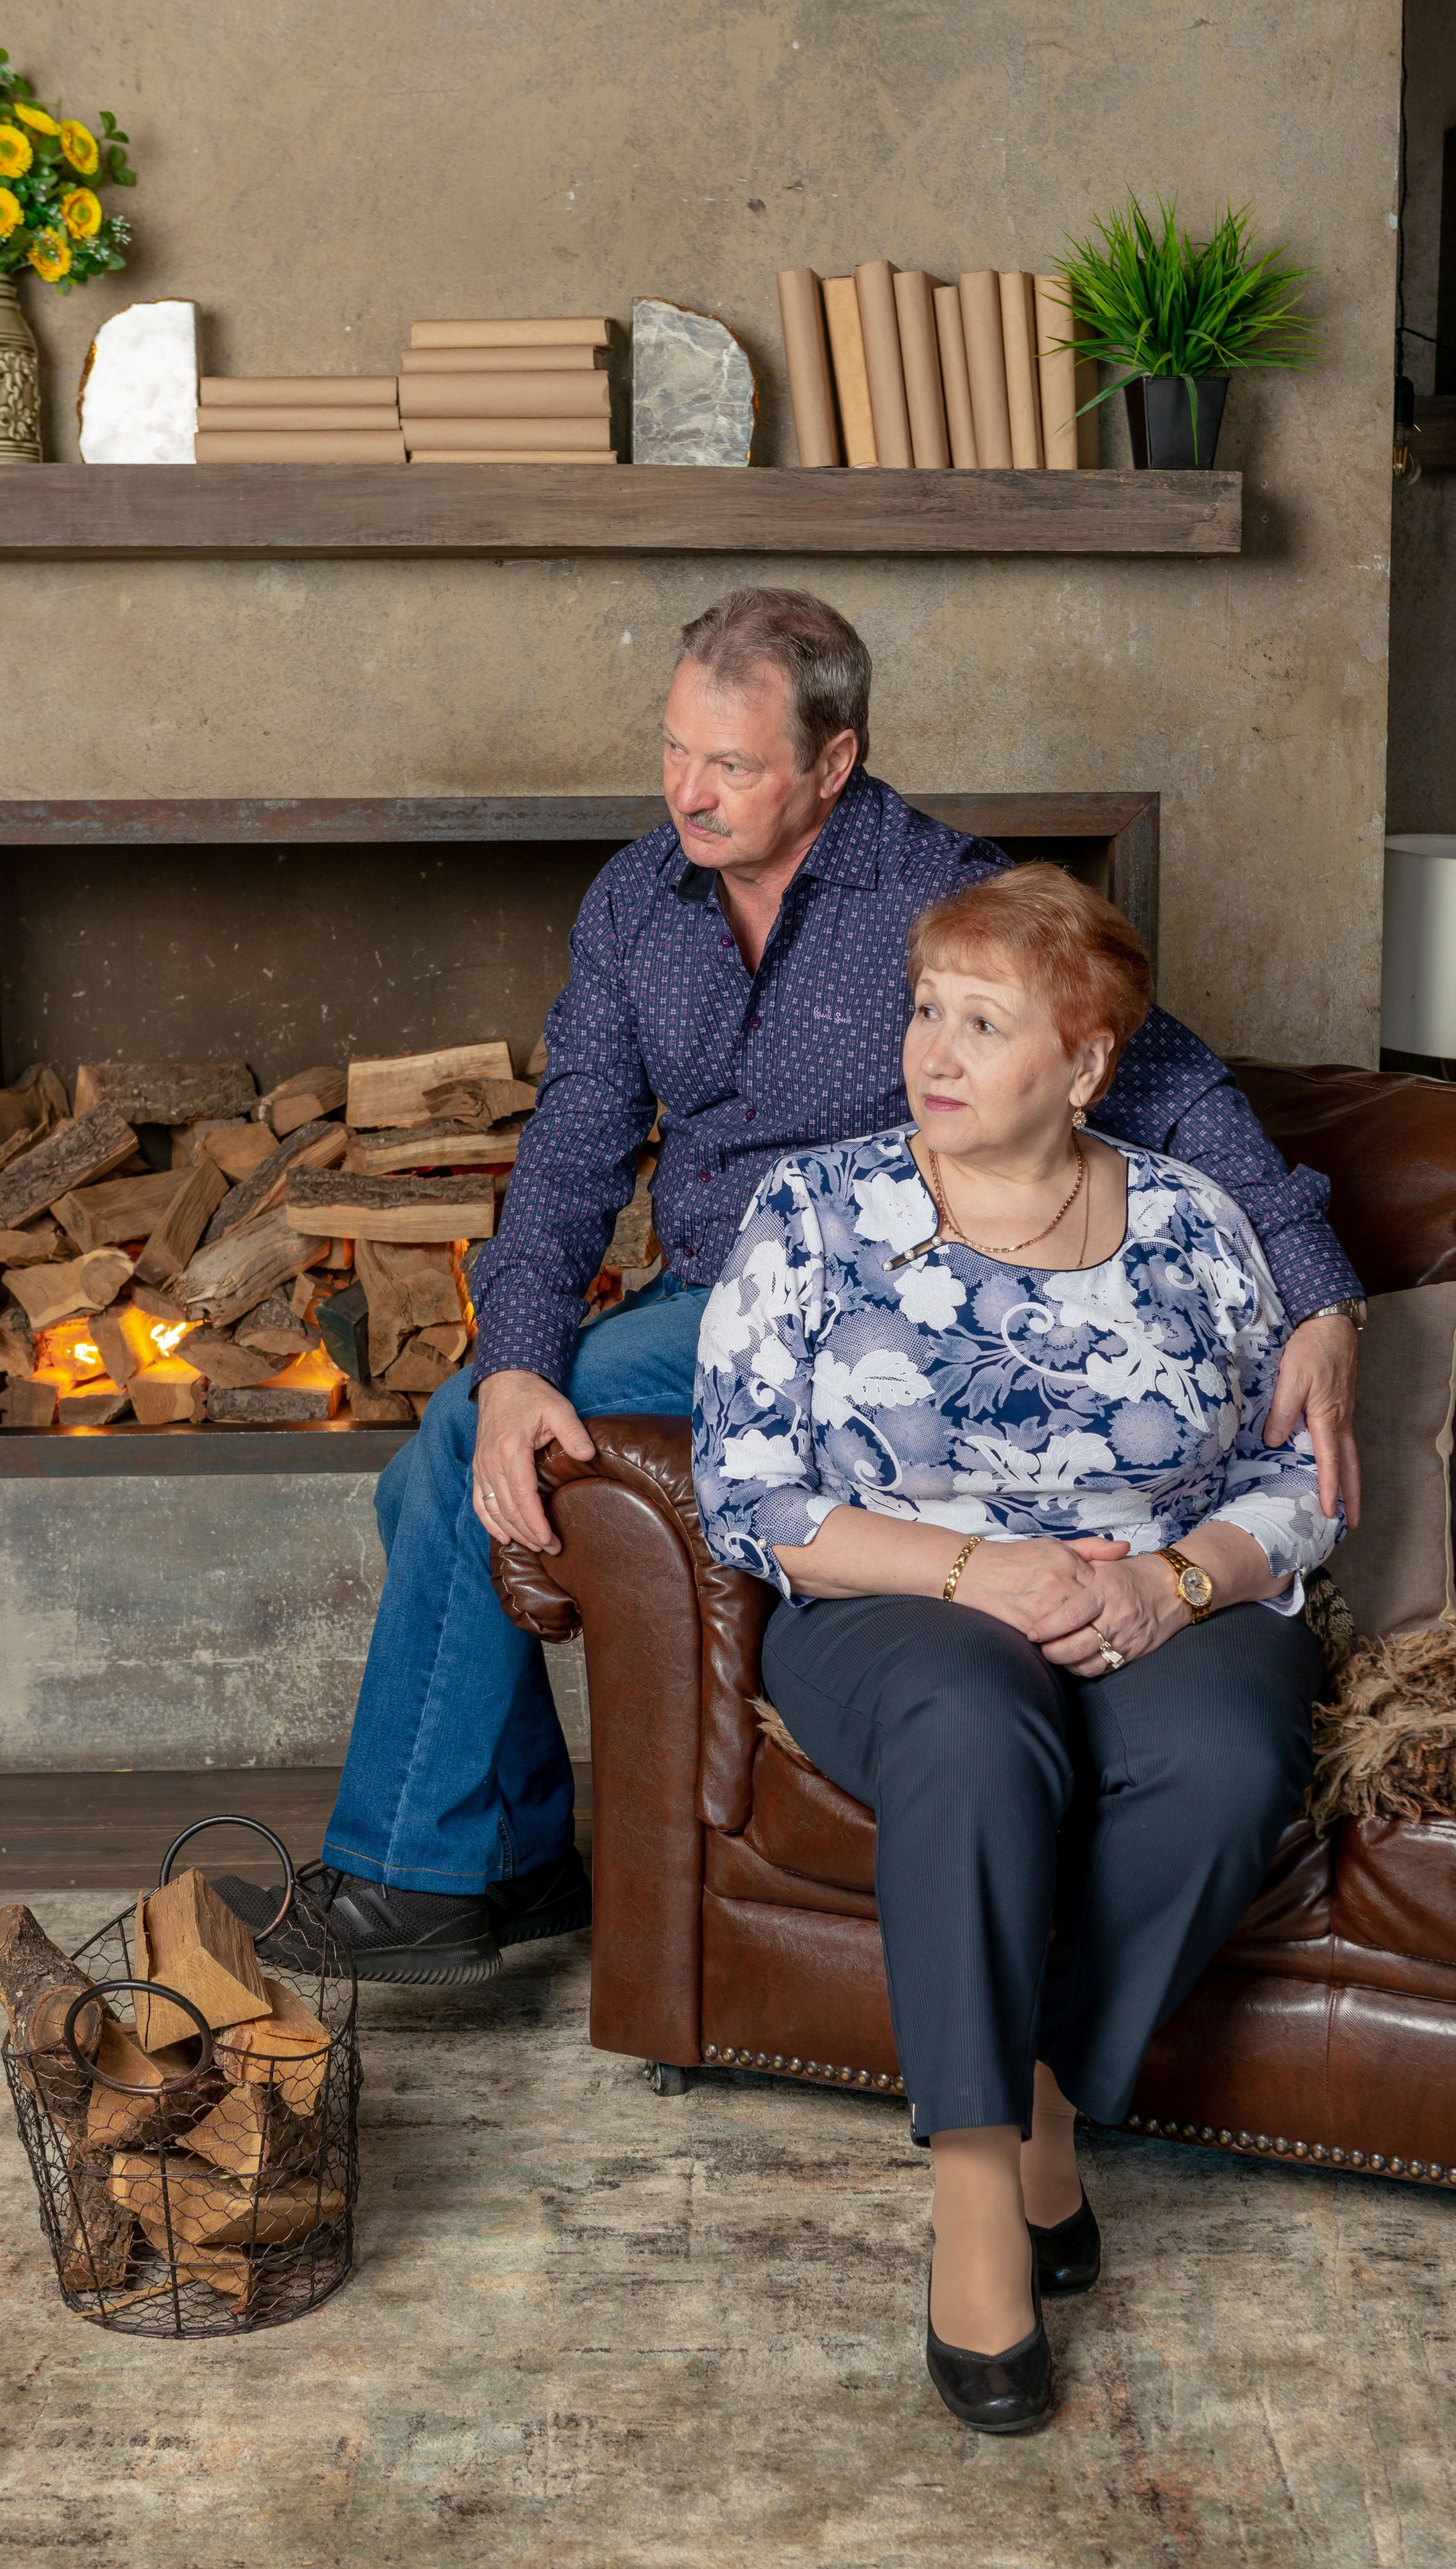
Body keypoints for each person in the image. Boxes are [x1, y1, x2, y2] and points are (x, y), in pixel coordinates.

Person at [257, 586, 1363, 1989]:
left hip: (875, 1307)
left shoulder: (941, 893)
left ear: (831, 764)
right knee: (478, 1431)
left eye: (732, 764)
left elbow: (1171, 1082)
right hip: (710, 1299)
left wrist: (1324, 1302)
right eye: (672, 750)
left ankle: (437, 1874)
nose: (688, 793)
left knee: (443, 1458)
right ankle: (491, 1860)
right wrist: (521, 1353)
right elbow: (570, 1147)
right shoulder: (632, 902)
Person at [692, 864, 1340, 2433]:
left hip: (1151, 1594)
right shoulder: (816, 1209)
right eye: (927, 1008)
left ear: (1087, 1061)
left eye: (985, 1022)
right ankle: (980, 2196)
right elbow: (746, 1484)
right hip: (897, 1599)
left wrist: (1174, 1587)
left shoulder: (1191, 1220)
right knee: (975, 1729)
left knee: (1231, 1750)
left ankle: (1051, 2097)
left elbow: (1292, 1481)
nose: (936, 1047)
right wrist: (981, 1570)